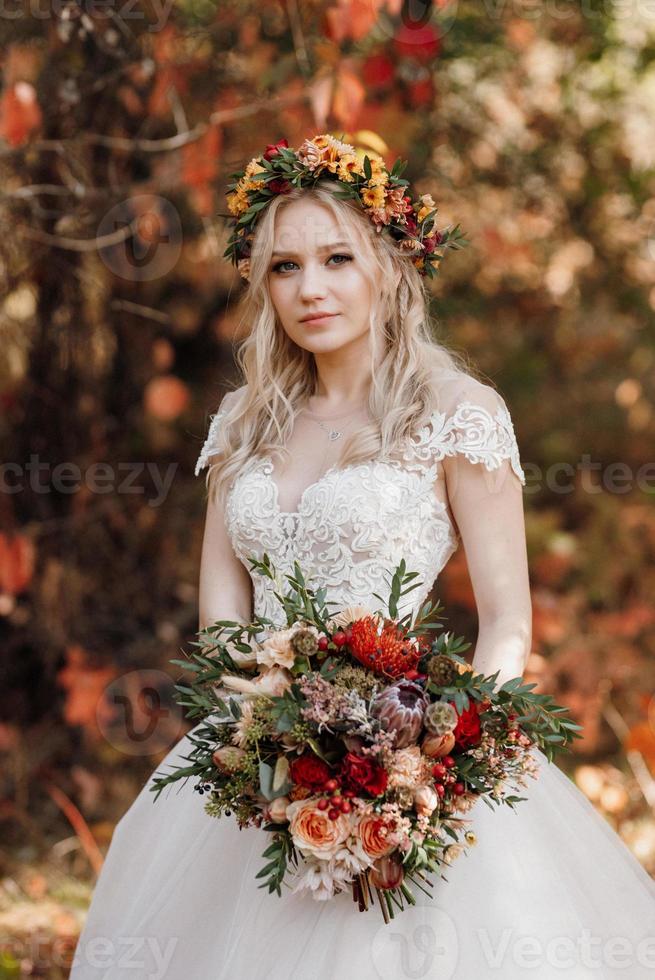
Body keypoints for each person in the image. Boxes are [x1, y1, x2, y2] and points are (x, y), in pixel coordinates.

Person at [70, 134, 655, 980]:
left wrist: (435, 765)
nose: (310, 288)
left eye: (336, 258)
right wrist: (260, 747)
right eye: (284, 267)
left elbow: (507, 621)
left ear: (388, 264)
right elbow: (222, 617)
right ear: (261, 283)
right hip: (258, 756)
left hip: (414, 755)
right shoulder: (243, 420)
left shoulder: (458, 411)